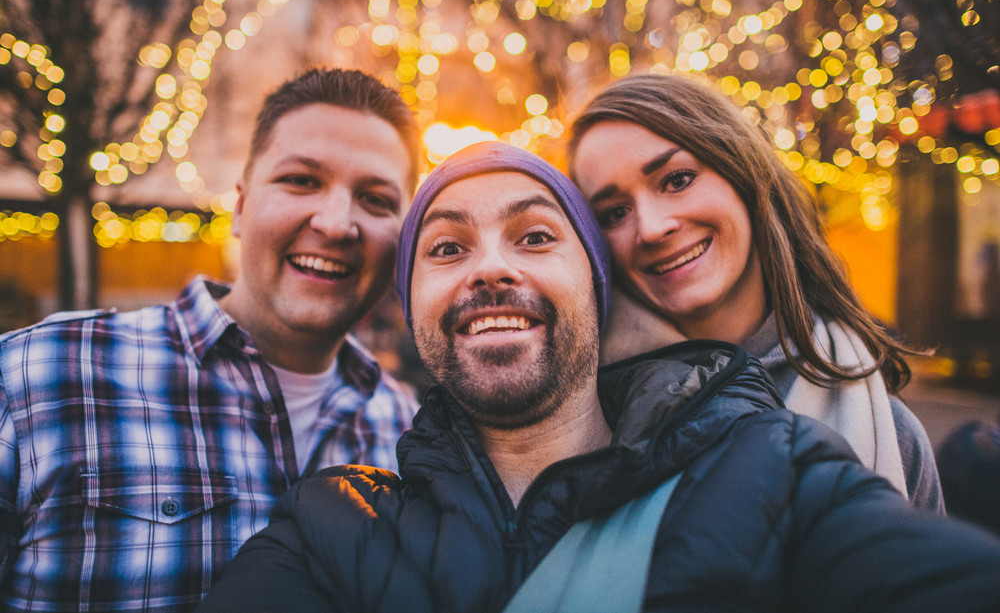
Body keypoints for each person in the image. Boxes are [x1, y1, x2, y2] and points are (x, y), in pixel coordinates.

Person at [196, 141, 1000, 613]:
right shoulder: (330, 528)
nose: (491, 269)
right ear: (413, 312)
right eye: (446, 248)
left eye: (536, 236)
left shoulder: (779, 474)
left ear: (597, 290)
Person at [0, 67, 421, 612]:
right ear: (241, 206)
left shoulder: (407, 434)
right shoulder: (35, 376)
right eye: (301, 180)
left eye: (376, 199)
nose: (337, 223)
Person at [568, 72, 943, 511]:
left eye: (677, 179)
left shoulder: (892, 435)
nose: (651, 228)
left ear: (743, 173)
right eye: (614, 212)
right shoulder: (581, 419)